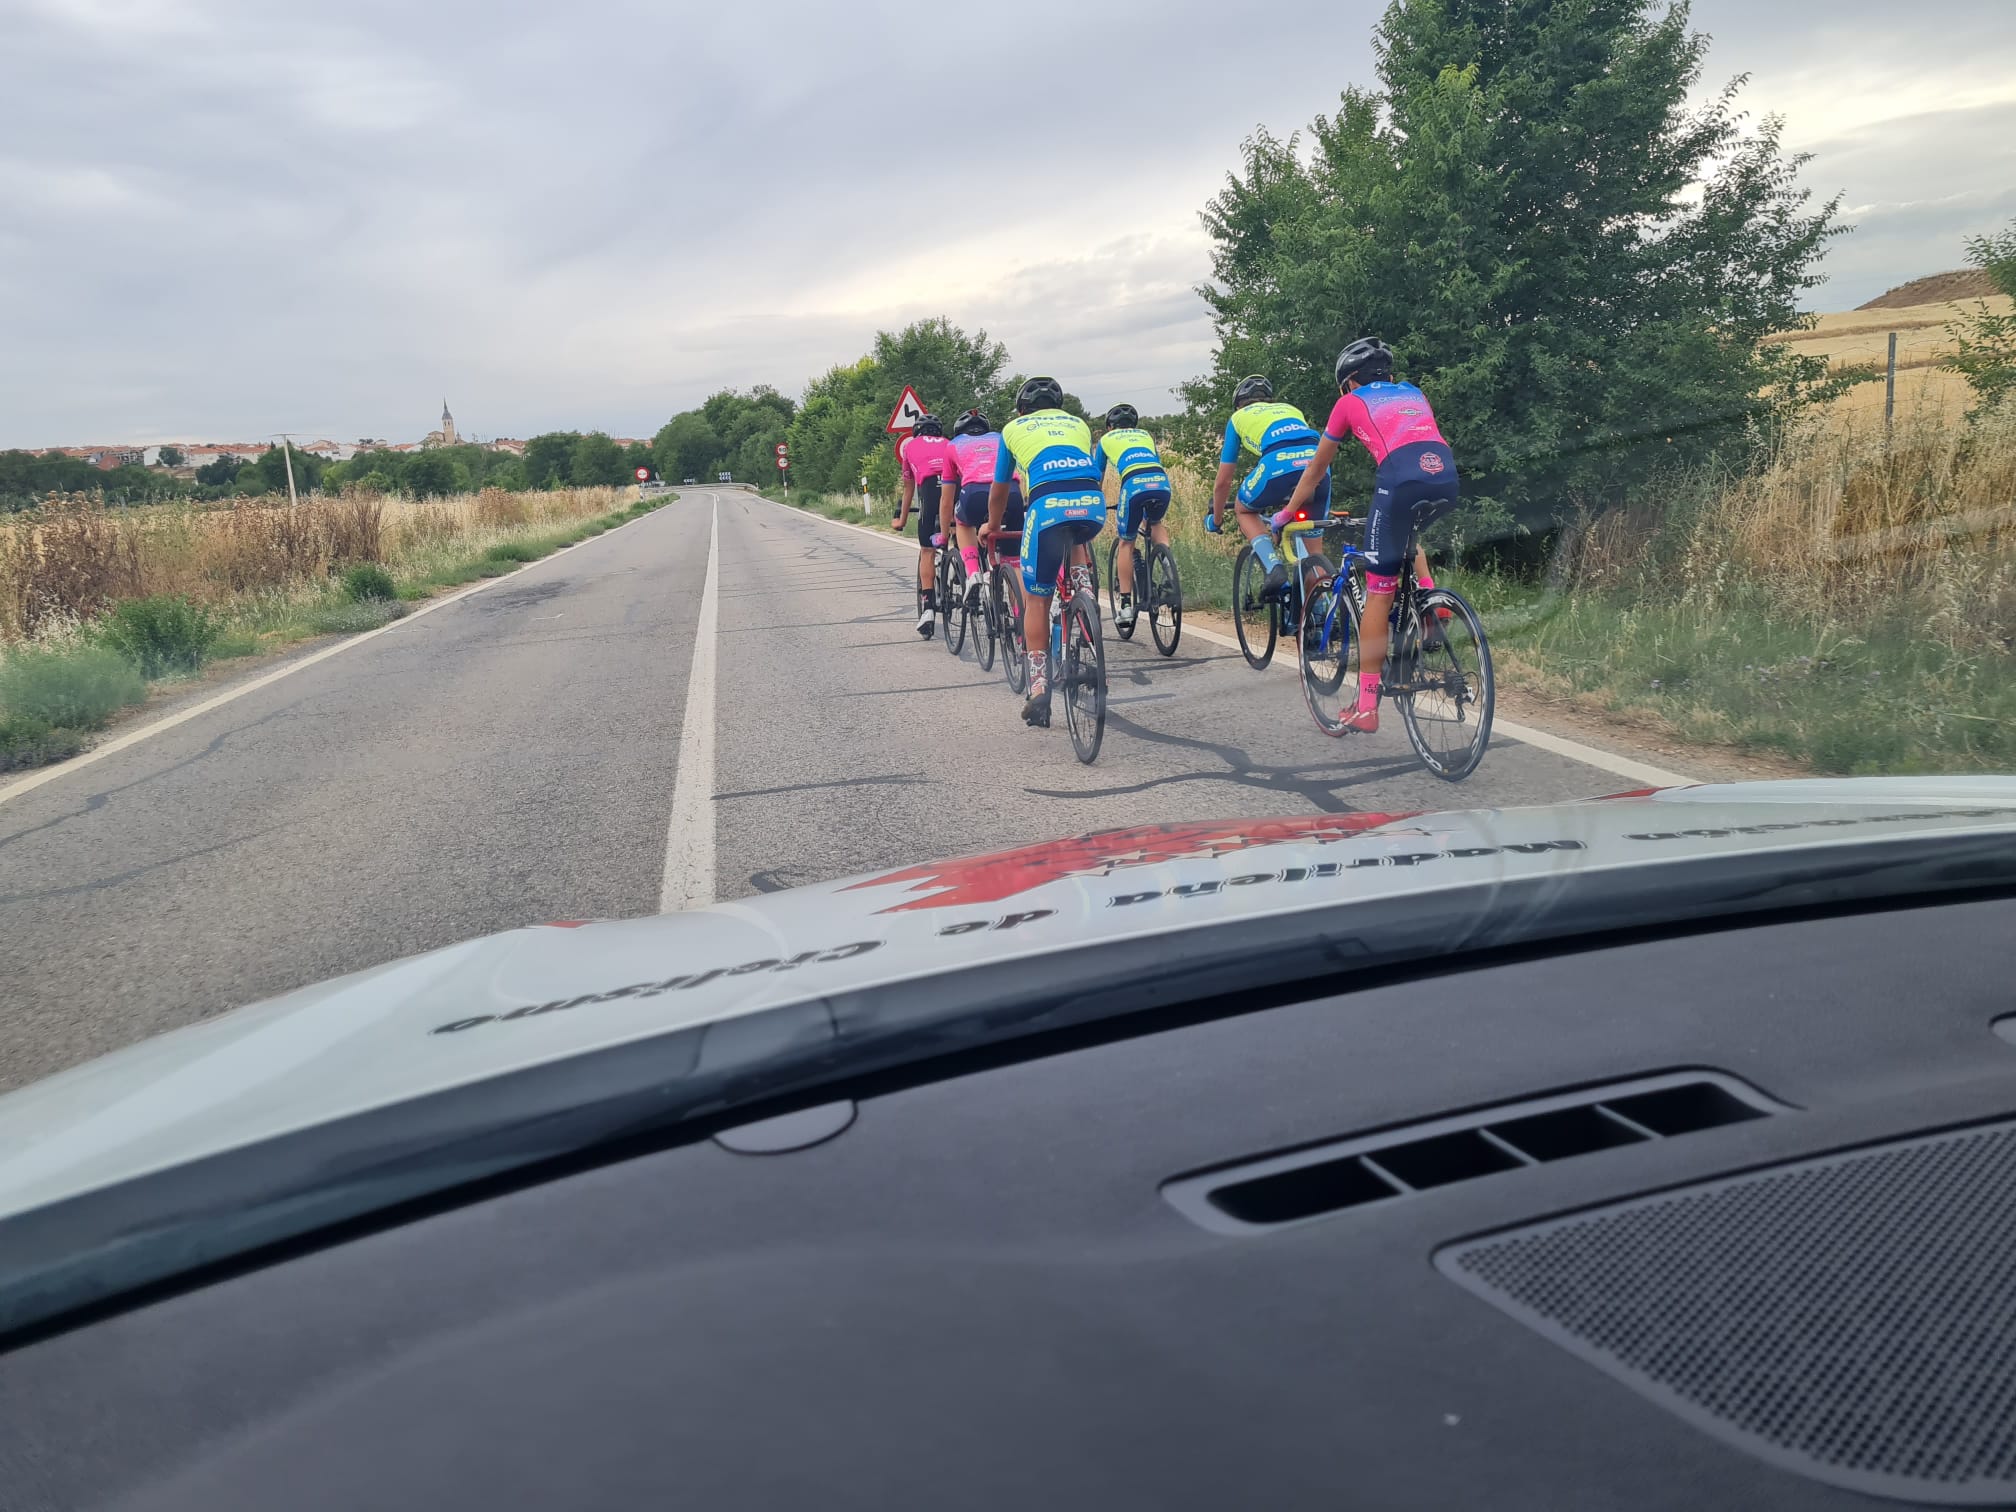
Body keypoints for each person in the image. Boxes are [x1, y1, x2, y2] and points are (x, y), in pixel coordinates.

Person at [1284, 337, 1457, 734]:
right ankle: (1431, 604)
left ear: (1348, 383)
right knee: (1409, 539)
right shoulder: (1413, 392)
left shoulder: (1348, 403)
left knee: (1380, 588)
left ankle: (1365, 706)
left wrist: (1286, 513)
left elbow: (1315, 470)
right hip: (1445, 477)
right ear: (1390, 376)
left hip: (1400, 480)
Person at [983, 376, 1106, 728]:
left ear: (1022, 410)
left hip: (1046, 506)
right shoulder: (1078, 424)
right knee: (1077, 538)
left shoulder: (1012, 429)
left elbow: (1000, 491)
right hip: (1091, 502)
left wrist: (992, 526)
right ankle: (1086, 607)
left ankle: (1038, 686)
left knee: (1037, 600)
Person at [1205, 375, 1329, 599]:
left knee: (1244, 509)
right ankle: (1320, 612)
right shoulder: (1291, 409)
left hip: (1277, 464)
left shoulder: (1237, 417)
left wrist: (1217, 518)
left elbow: (1223, 481)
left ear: (1239, 404)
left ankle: (1273, 567)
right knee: (1315, 555)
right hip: (1317, 466)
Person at [1092, 404, 1173, 630]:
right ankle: (1169, 565)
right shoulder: (1145, 435)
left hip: (1133, 486)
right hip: (1161, 483)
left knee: (1126, 542)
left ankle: (1126, 605)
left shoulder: (1106, 440)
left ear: (1110, 427)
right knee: (1154, 522)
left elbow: (1097, 476)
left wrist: (1097, 501)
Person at [944, 409, 1023, 612]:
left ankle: (973, 574)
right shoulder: (1000, 437)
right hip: (1011, 492)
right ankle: (1022, 623)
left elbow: (946, 496)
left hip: (975, 493)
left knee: (963, 522)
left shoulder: (952, 445)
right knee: (1014, 563)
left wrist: (945, 533)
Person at [891, 414, 956, 637]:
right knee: (959, 529)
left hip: (929, 489)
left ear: (917, 432)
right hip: (954, 488)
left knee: (927, 550)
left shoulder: (910, 447)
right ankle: (964, 571)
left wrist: (901, 520)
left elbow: (909, 488)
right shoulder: (949, 443)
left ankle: (928, 608)